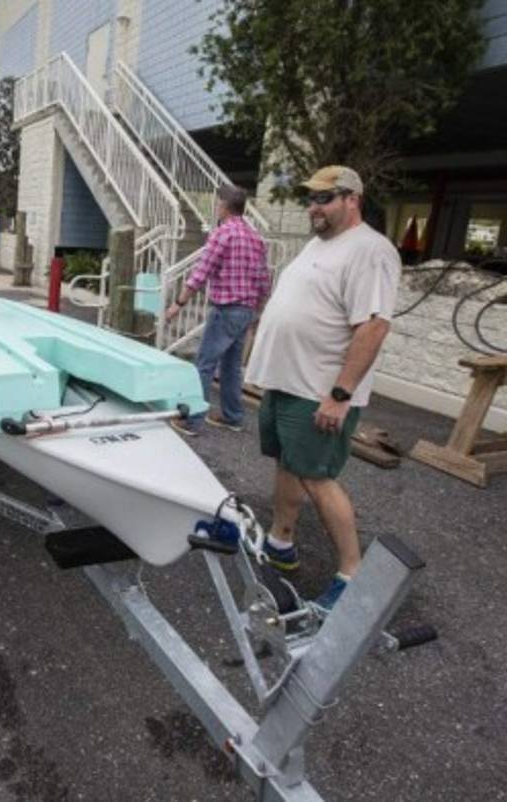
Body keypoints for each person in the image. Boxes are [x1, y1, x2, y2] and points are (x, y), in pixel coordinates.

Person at [244, 165, 401, 609]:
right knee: (288, 463)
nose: (314, 207)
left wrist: (340, 394)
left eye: (324, 199)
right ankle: (280, 543)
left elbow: (373, 326)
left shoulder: (370, 250)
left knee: (318, 477)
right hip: (286, 382)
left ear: (352, 199)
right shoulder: (319, 243)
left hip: (320, 390)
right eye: (310, 199)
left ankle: (353, 575)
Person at [164, 185, 269, 435]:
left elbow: (201, 273)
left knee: (204, 364)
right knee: (231, 366)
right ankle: (232, 417)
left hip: (226, 309)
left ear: (222, 205)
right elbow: (264, 279)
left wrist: (178, 304)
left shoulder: (223, 234)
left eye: (217, 203)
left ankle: (192, 420)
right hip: (246, 310)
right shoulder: (255, 237)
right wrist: (259, 311)